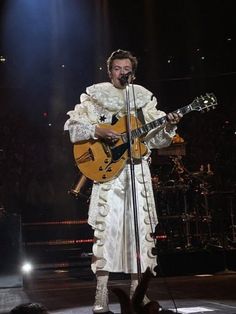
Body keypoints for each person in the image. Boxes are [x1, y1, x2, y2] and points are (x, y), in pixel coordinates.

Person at [64, 49, 182, 313]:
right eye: (117, 68)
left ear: (133, 71)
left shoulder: (141, 98)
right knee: (108, 233)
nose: (121, 72)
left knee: (139, 233)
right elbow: (72, 128)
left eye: (126, 68)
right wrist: (96, 129)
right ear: (110, 71)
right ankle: (101, 297)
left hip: (137, 174)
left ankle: (137, 295)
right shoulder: (97, 97)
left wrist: (169, 126)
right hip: (109, 176)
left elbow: (156, 141)